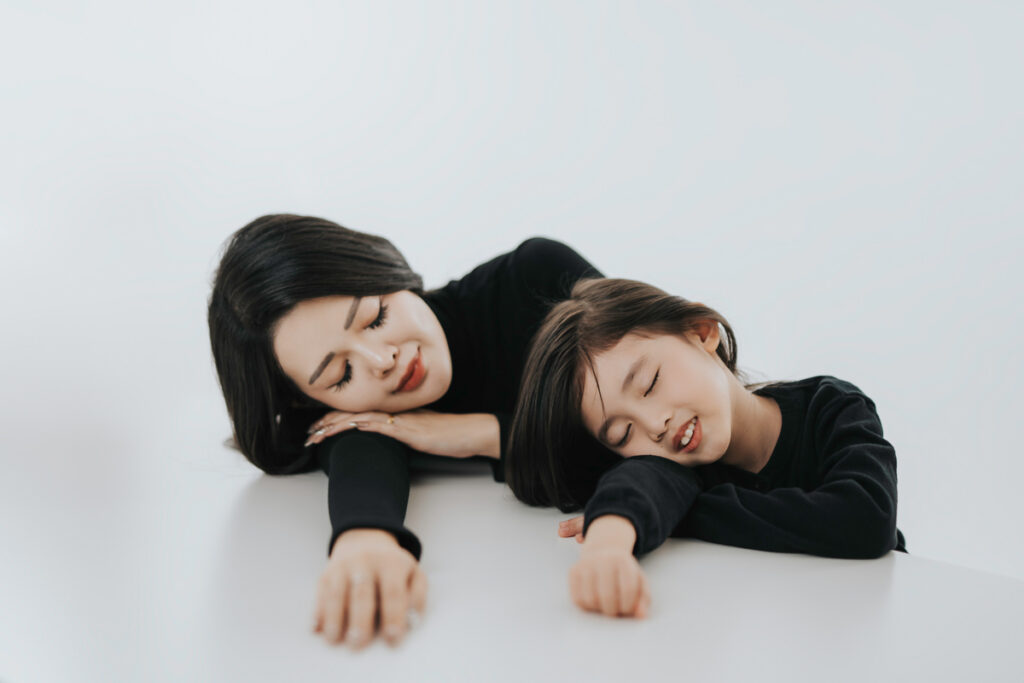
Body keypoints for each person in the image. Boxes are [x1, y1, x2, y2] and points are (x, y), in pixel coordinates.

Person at [207, 214, 601, 647]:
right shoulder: (356, 415)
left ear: (387, 272)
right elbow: (360, 453)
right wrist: (364, 540)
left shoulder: (537, 278)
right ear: (312, 402)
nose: (382, 361)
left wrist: (479, 433)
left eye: (376, 318)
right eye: (341, 374)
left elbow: (657, 435)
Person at [506, 278, 905, 620]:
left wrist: (684, 517)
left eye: (649, 383)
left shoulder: (832, 406)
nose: (655, 425)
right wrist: (607, 544)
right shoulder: (676, 466)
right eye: (623, 435)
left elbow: (866, 518)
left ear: (700, 331)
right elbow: (637, 484)